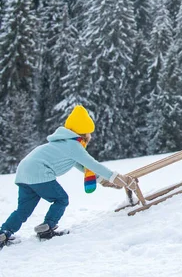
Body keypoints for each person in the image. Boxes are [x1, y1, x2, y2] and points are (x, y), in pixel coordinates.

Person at [0, 105, 136, 248]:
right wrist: (115, 177)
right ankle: (48, 228)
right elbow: (92, 164)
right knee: (61, 199)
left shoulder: (62, 142)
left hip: (23, 173)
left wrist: (101, 180)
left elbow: (81, 165)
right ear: (84, 134)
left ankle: (4, 232)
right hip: (39, 172)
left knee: (23, 209)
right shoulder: (74, 145)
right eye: (89, 134)